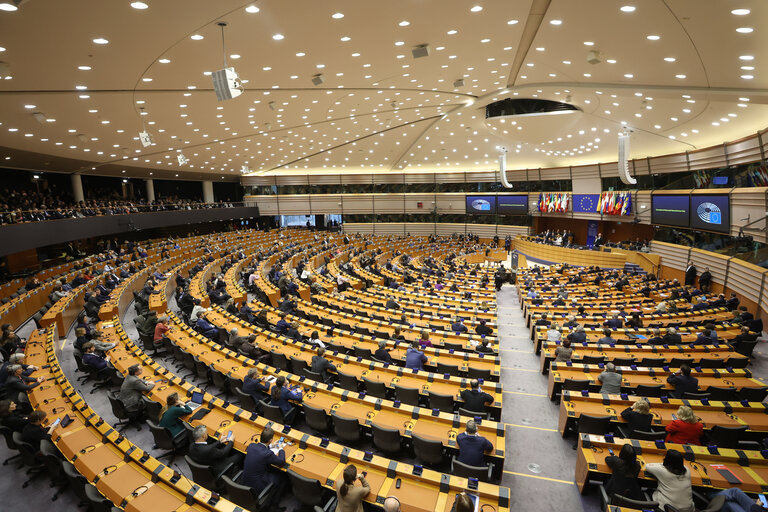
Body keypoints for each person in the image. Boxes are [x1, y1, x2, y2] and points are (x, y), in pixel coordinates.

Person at [241, 426, 287, 512]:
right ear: (270, 440)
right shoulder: (267, 454)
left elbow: (261, 450)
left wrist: (271, 446)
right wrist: (281, 448)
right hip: (258, 485)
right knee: (282, 477)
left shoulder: (251, 446)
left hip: (245, 481)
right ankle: (274, 505)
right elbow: (281, 461)